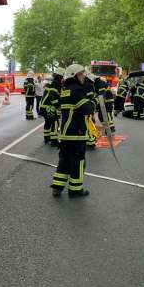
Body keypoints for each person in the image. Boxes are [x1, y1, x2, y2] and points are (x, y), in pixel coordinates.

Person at [50, 64, 94, 198]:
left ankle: (57, 187)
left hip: (65, 134)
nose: (83, 76)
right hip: (77, 133)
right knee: (77, 162)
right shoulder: (76, 89)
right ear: (74, 75)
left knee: (64, 161)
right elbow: (87, 109)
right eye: (81, 74)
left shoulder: (66, 90)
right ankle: (75, 190)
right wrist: (94, 101)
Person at [40, 68, 65, 146]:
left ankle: (47, 138)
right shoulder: (56, 83)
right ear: (60, 76)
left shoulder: (52, 82)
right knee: (55, 122)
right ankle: (54, 141)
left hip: (43, 106)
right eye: (62, 76)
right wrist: (57, 106)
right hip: (49, 107)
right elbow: (53, 96)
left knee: (48, 122)